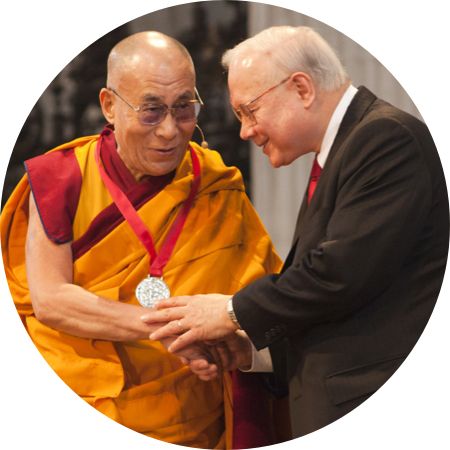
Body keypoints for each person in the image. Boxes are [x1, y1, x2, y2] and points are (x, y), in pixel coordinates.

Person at [145, 26, 450, 437]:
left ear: (302, 88)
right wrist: (249, 351)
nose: (245, 132)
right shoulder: (339, 153)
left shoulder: (384, 139)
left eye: (248, 111)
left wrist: (230, 311)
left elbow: (336, 275)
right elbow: (335, 307)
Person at [0, 31, 285, 448]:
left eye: (184, 108)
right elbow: (50, 298)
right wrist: (170, 330)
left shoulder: (216, 184)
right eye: (151, 110)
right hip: (89, 397)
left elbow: (263, 292)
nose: (170, 131)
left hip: (194, 409)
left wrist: (235, 342)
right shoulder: (62, 177)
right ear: (109, 105)